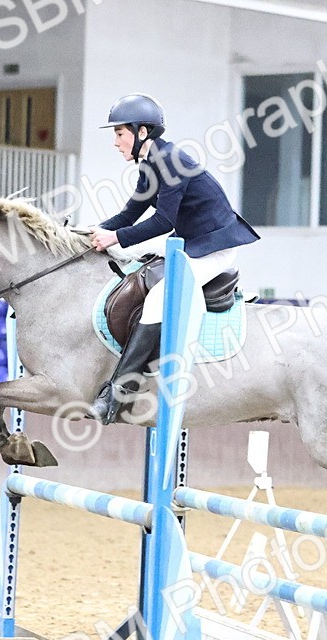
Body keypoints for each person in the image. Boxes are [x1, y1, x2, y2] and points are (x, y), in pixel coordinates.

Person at [87, 93, 259, 424]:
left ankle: (118, 396)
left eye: (119, 133)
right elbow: (131, 213)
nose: (115, 142)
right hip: (190, 241)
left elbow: (163, 221)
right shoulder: (151, 163)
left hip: (214, 246)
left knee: (157, 300)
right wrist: (92, 232)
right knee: (130, 262)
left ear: (141, 132)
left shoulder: (169, 162)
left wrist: (116, 237)